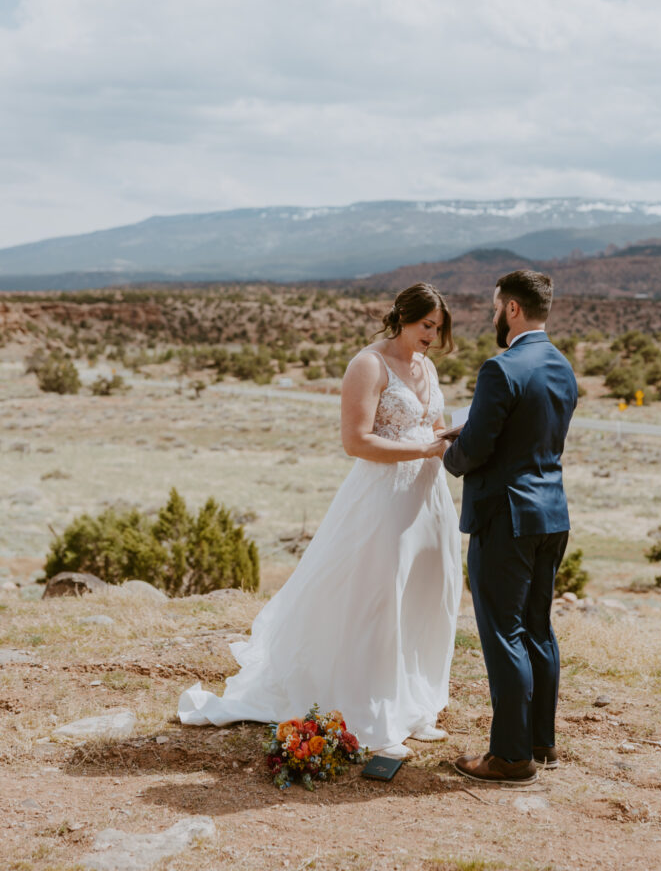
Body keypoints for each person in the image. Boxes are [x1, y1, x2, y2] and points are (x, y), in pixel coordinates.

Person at [179, 283, 462, 759]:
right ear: (401, 318)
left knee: (426, 597)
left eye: (438, 327)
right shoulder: (368, 365)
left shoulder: (427, 367)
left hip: (429, 497)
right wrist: (423, 448)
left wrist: (448, 437)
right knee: (381, 601)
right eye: (425, 325)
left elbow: (430, 428)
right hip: (384, 499)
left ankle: (413, 707)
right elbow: (356, 441)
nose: (432, 336)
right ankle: (375, 713)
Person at [442, 270, 577, 787]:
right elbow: (529, 432)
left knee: (503, 633)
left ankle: (510, 757)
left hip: (507, 517)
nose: (493, 314)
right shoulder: (562, 366)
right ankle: (542, 743)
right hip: (552, 515)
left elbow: (475, 451)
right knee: (538, 628)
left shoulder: (500, 368)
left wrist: (450, 451)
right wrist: (472, 428)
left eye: (496, 306)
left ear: (513, 310)